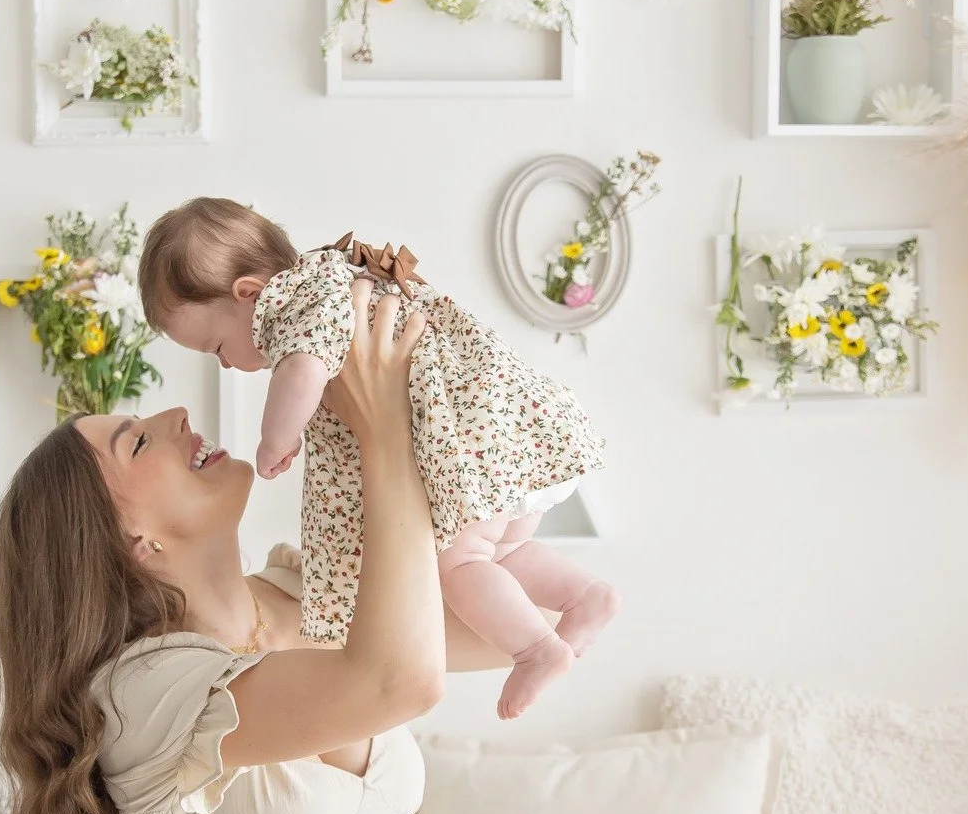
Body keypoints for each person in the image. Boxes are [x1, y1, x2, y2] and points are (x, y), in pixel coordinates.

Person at [0, 280, 501, 814]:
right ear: (133, 540)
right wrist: (384, 442)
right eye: (136, 441)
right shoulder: (143, 695)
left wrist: (437, 401)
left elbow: (513, 629)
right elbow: (401, 679)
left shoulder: (309, 596)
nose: (177, 419)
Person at [137, 197, 617, 719]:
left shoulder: (299, 306)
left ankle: (536, 650)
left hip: (472, 449)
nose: (226, 365)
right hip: (510, 441)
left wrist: (276, 440)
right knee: (496, 556)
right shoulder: (336, 280)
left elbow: (302, 372)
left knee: (461, 565)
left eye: (217, 347)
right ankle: (585, 596)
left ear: (250, 294)